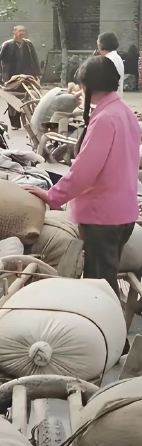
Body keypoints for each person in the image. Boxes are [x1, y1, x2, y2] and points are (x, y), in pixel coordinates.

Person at [25, 55, 139, 293]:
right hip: (123, 212)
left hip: (103, 217)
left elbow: (84, 172)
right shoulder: (125, 113)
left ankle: (107, 317)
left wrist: (52, 196)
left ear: (87, 85)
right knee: (106, 278)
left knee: (99, 286)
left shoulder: (105, 119)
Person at [97, 32, 125, 96]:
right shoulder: (116, 57)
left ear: (101, 45)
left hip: (107, 98)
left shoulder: (107, 60)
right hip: (115, 97)